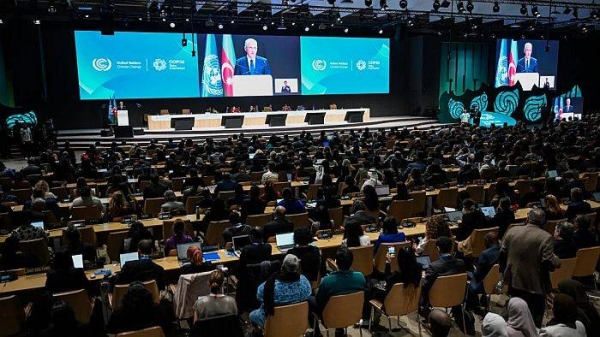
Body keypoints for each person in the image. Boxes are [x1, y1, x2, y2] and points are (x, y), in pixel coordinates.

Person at [500, 208, 561, 327]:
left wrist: (504, 272)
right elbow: (548, 261)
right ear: (543, 222)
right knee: (534, 319)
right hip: (536, 283)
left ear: (527, 218)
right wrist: (557, 261)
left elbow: (502, 253)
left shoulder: (512, 231)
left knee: (515, 313)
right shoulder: (546, 237)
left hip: (514, 279)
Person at [310, 247, 366, 335]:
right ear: (352, 262)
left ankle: (317, 333)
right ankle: (339, 329)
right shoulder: (360, 277)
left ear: (336, 262)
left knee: (309, 299)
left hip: (330, 317)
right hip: (354, 314)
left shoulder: (327, 281)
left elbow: (319, 302)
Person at [249, 254, 312, 328]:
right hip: (297, 321)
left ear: (283, 266)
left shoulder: (269, 285)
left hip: (274, 324)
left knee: (251, 315)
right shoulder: (304, 281)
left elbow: (259, 296)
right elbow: (309, 294)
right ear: (297, 268)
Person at [420, 236, 465, 317]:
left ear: (438, 249)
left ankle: (426, 313)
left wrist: (422, 278)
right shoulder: (460, 263)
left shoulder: (433, 267)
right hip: (456, 296)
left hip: (436, 299)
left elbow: (425, 286)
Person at [466, 232, 500, 309]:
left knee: (467, 275)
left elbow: (477, 273)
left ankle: (473, 306)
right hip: (499, 284)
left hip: (484, 284)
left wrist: (472, 271)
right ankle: (483, 299)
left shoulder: (485, 254)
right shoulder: (504, 250)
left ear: (487, 241)